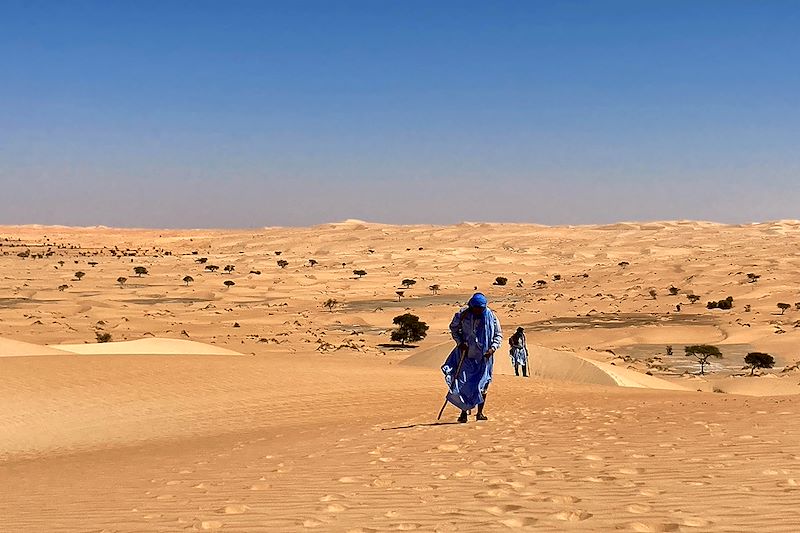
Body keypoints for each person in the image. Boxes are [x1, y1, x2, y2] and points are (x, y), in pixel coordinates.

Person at [441, 292, 502, 423]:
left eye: (481, 308)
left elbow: (498, 335)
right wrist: (460, 342)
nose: (479, 311)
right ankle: (463, 413)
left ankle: (480, 413)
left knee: (483, 384)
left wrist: (492, 348)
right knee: (464, 384)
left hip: (485, 358)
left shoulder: (492, 317)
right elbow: (454, 328)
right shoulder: (462, 315)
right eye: (477, 308)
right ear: (471, 306)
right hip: (466, 355)